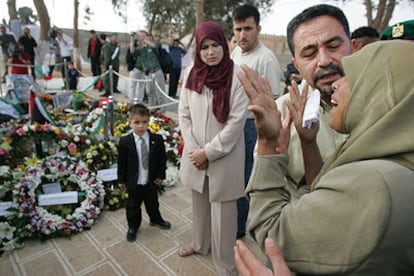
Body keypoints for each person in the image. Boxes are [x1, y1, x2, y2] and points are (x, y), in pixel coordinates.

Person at [236, 40, 414, 275]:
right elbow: (323, 192)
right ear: (295, 64)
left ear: (380, 89)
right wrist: (308, 142)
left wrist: (269, 146)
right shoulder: (388, 154)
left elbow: (272, 233)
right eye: (309, 53)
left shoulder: (376, 186)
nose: (336, 83)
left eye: (351, 74)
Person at [178, 21, 249, 276]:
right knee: (199, 204)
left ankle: (225, 264)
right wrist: (195, 149)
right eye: (204, 47)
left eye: (215, 45)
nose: (211, 52)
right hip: (196, 154)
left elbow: (236, 123)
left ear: (224, 44)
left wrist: (208, 152)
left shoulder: (237, 74)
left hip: (224, 156)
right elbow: (184, 115)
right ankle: (199, 244)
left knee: (224, 214)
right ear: (197, 50)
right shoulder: (191, 73)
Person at [231, 3, 282, 240]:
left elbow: (273, 101)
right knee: (233, 175)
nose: (242, 35)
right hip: (233, 123)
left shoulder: (267, 59)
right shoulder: (235, 52)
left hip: (252, 127)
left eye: (247, 29)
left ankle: (241, 228)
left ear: (258, 28)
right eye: (238, 29)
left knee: (246, 178)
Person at [117, 103, 171, 242]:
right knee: (133, 206)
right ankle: (133, 227)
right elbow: (121, 163)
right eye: (137, 122)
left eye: (144, 122)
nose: (141, 126)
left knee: (152, 202)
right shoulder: (125, 142)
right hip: (134, 181)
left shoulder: (156, 140)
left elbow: (161, 159)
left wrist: (160, 175)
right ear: (129, 122)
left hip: (150, 180)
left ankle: (155, 219)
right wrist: (121, 180)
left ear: (149, 121)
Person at [133, 31, 165, 107]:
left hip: (157, 71)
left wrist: (143, 38)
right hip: (148, 73)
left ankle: (162, 111)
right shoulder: (142, 48)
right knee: (150, 93)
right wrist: (132, 39)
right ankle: (152, 109)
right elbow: (132, 51)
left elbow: (153, 46)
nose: (143, 38)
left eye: (145, 36)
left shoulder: (155, 45)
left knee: (160, 93)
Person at [100, 33, 121, 97]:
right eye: (114, 37)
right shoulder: (107, 46)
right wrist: (105, 66)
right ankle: (107, 90)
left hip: (115, 63)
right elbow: (107, 57)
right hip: (108, 64)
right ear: (111, 37)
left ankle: (114, 88)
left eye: (116, 37)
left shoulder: (117, 45)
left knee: (115, 77)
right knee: (106, 78)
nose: (115, 38)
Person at [127, 32, 146, 103]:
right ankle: (131, 100)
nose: (140, 42)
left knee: (141, 86)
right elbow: (129, 56)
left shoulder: (144, 48)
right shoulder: (134, 47)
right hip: (135, 68)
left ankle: (140, 100)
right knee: (132, 85)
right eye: (139, 40)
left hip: (143, 69)